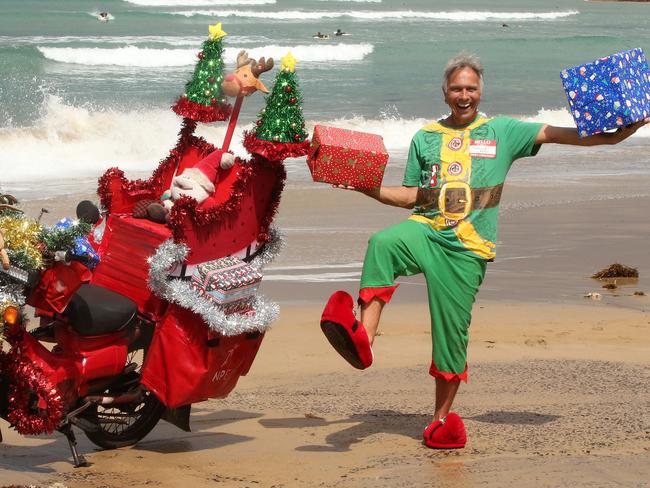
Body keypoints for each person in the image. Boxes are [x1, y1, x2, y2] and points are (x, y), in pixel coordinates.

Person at [319, 52, 648, 450]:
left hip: (467, 250)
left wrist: (617, 135)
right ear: (444, 92)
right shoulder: (424, 137)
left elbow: (568, 134)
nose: (464, 95)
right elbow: (412, 196)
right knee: (383, 244)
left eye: (470, 88)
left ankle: (440, 422)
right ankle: (365, 339)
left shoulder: (504, 131)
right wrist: (366, 187)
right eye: (456, 88)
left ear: (480, 91)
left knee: (451, 336)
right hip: (426, 230)